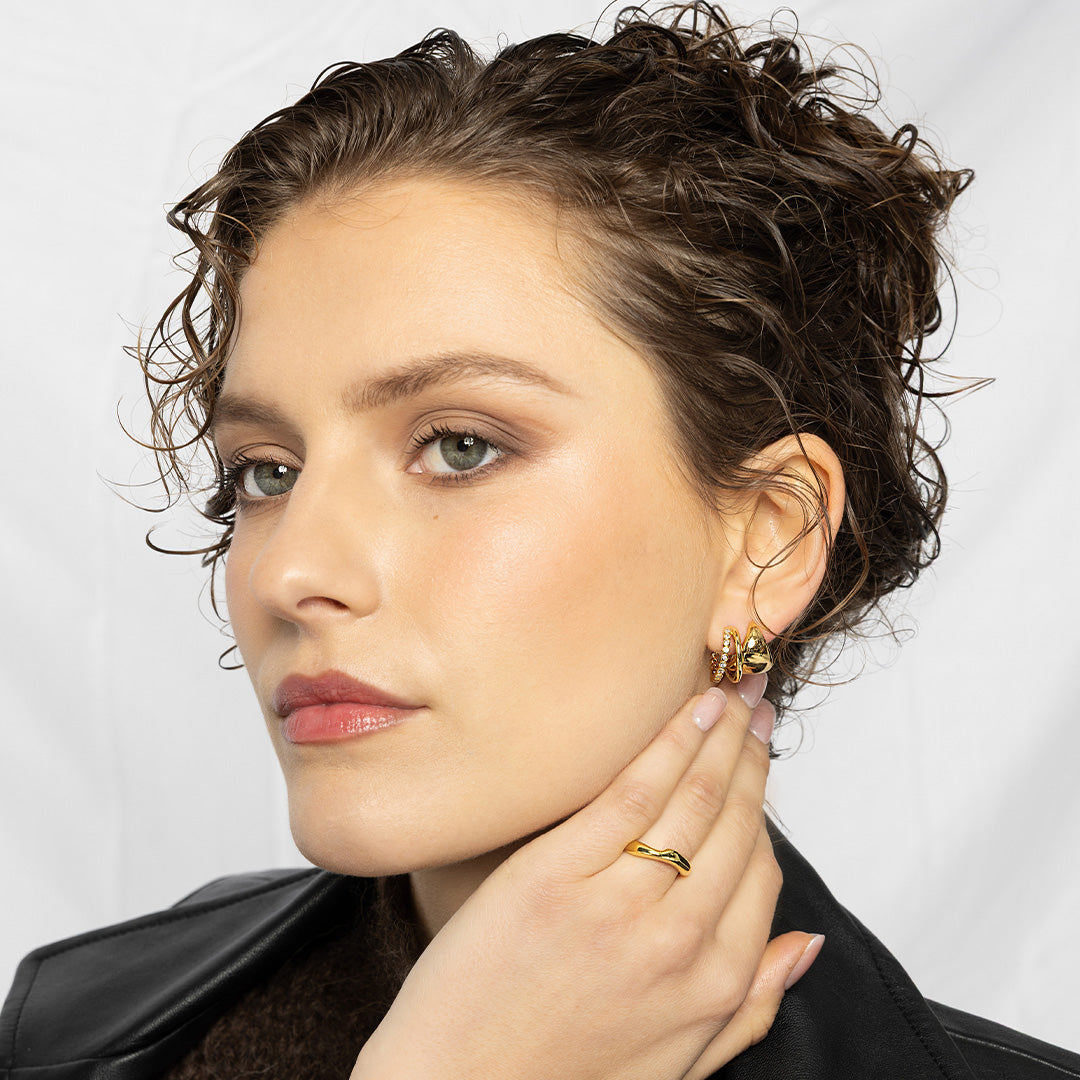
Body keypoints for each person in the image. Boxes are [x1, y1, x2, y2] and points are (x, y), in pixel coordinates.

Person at [3, 4, 1078, 1077]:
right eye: (266, 471)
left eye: (460, 447)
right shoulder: (71, 1037)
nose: (290, 571)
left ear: (766, 538)